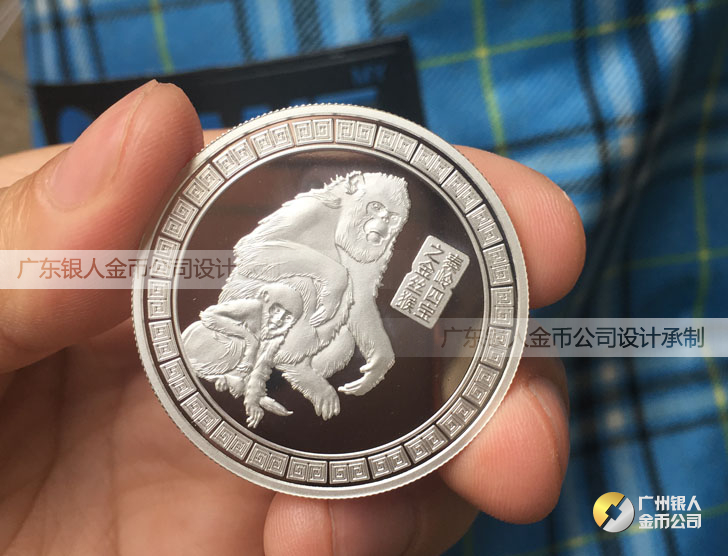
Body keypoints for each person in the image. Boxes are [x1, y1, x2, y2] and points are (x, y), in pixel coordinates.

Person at [0, 82, 584, 555]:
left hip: (295, 333)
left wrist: (380, 355)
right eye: (376, 213)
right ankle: (278, 362)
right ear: (351, 193)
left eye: (391, 224)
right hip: (262, 291)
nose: (381, 228)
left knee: (347, 337)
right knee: (330, 295)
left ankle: (296, 369)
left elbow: (362, 308)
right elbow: (250, 253)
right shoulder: (311, 208)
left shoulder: (367, 250)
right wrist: (325, 280)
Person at [181, 283, 304, 428]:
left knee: (248, 367)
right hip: (199, 344)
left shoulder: (276, 338)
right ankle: (220, 377)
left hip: (219, 364)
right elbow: (209, 315)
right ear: (266, 299)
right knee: (244, 347)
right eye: (277, 310)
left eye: (287, 317)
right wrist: (249, 338)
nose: (278, 320)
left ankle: (225, 378)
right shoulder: (253, 307)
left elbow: (260, 370)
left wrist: (253, 402)